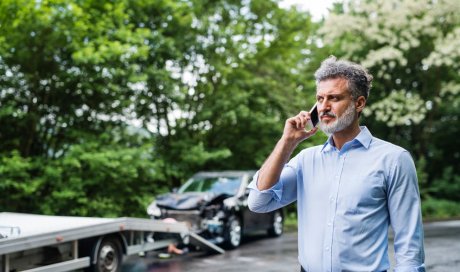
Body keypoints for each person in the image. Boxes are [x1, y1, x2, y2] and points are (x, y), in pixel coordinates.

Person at [247, 56, 425, 272]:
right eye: (320, 99)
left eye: (334, 98)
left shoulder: (394, 159)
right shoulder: (306, 159)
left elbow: (409, 243)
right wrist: (286, 143)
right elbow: (258, 201)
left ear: (359, 103)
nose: (324, 107)